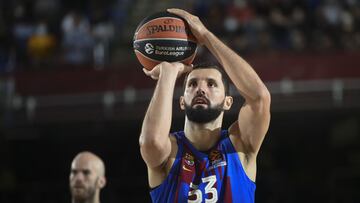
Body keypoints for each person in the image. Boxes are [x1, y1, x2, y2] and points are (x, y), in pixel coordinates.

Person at [139, 8, 271, 203]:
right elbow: (151, 142)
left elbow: (259, 98)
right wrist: (169, 71)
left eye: (211, 84)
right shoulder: (171, 152)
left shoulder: (240, 144)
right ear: (182, 102)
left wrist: (206, 35)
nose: (201, 89)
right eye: (192, 84)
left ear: (228, 101)